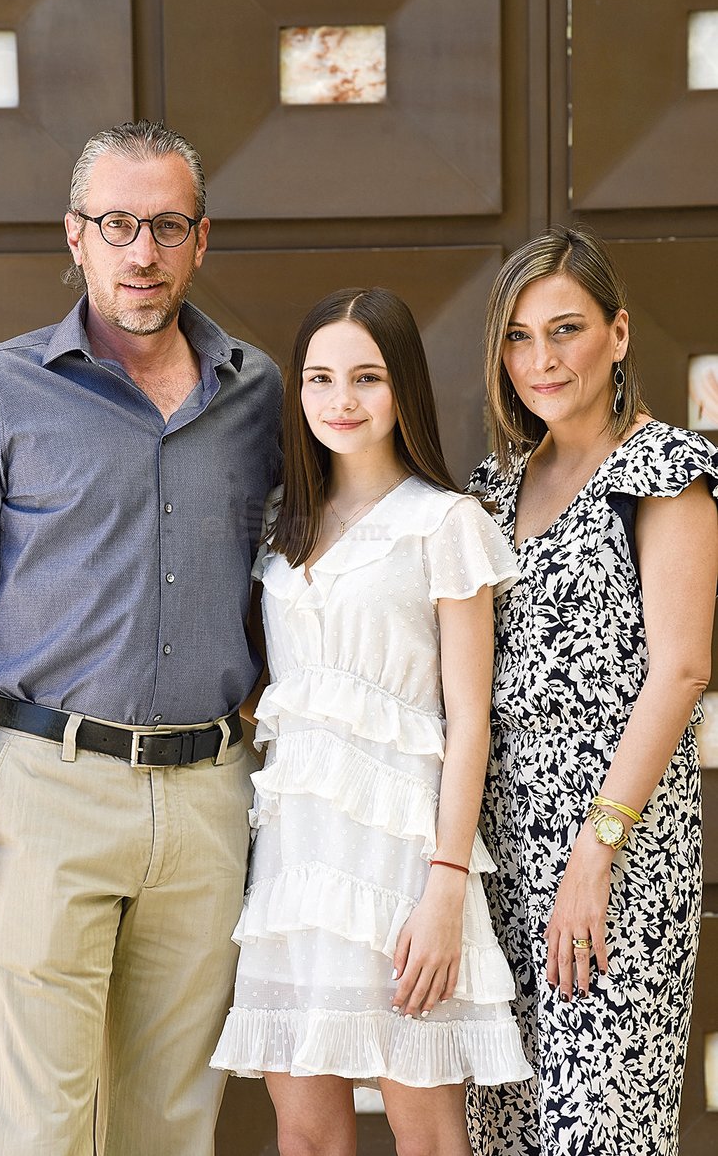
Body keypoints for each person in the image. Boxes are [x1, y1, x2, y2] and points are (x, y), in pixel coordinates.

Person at [0, 120, 282, 1156]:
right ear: (75, 237)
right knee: (33, 1132)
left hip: (207, 798)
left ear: (202, 239)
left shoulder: (262, 395)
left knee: (170, 1125)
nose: (140, 253)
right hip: (46, 792)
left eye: (164, 225)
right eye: (117, 225)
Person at [211, 288, 532, 1156]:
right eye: (319, 378)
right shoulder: (282, 527)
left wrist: (445, 884)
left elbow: (471, 720)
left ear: (404, 392)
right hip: (295, 870)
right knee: (306, 1134)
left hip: (404, 868)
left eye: (366, 377)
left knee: (426, 1133)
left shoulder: (445, 522)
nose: (340, 400)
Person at [464, 225, 718, 1156]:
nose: (543, 359)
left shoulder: (664, 473)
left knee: (599, 1134)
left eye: (566, 329)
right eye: (521, 337)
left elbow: (682, 668)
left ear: (617, 334)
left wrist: (595, 853)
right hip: (503, 858)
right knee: (510, 1131)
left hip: (614, 861)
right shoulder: (494, 488)